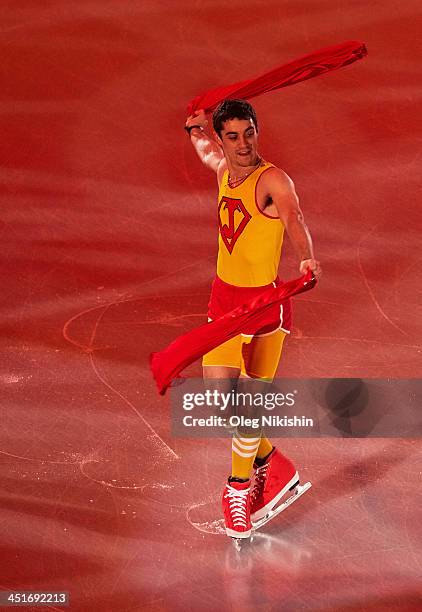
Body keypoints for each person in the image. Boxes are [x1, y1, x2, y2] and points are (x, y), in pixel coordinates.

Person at [184, 99, 321, 540]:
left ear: (257, 130)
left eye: (249, 133)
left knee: (249, 403)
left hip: (265, 305)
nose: (243, 144)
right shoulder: (225, 170)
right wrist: (194, 130)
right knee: (222, 402)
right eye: (232, 136)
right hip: (224, 301)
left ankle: (238, 489)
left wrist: (306, 258)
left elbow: (294, 218)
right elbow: (208, 155)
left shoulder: (273, 179)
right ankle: (274, 463)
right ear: (222, 139)